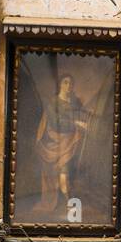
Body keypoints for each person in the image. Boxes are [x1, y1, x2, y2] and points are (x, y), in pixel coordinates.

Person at [34, 73, 89, 217]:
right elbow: (55, 123)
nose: (68, 86)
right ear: (60, 84)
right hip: (53, 143)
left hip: (69, 143)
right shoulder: (53, 103)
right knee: (60, 175)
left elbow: (81, 115)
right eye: (65, 82)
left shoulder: (74, 102)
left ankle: (70, 206)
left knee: (66, 174)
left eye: (71, 83)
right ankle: (67, 204)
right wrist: (76, 123)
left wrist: (83, 119)